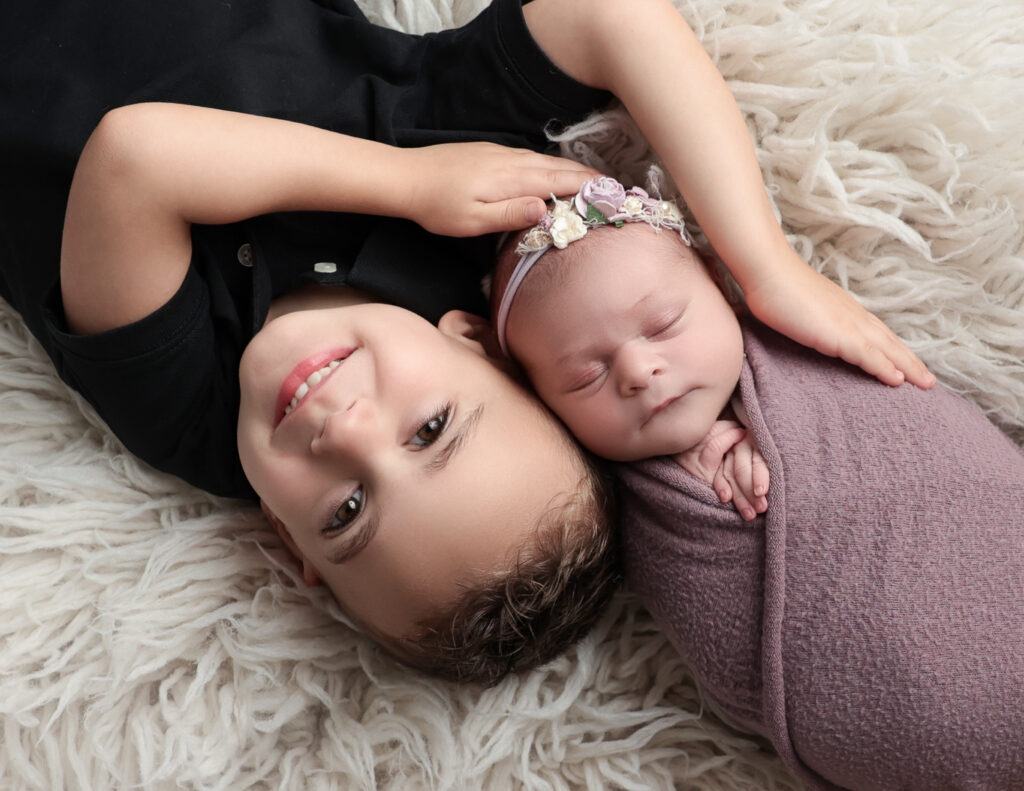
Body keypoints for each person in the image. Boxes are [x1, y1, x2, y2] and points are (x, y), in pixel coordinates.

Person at [1, 0, 930, 685]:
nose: (347, 430)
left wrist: (400, 182)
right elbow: (609, 15)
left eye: (346, 513)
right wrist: (761, 263)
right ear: (479, 343)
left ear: (286, 543)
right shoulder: (468, 197)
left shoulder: (195, 414)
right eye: (431, 429)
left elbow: (135, 159)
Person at [489, 176, 1024, 789]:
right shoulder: (608, 502)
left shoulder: (803, 355)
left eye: (663, 325)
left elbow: (940, 462)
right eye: (586, 376)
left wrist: (763, 436)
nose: (639, 372)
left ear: (719, 284)